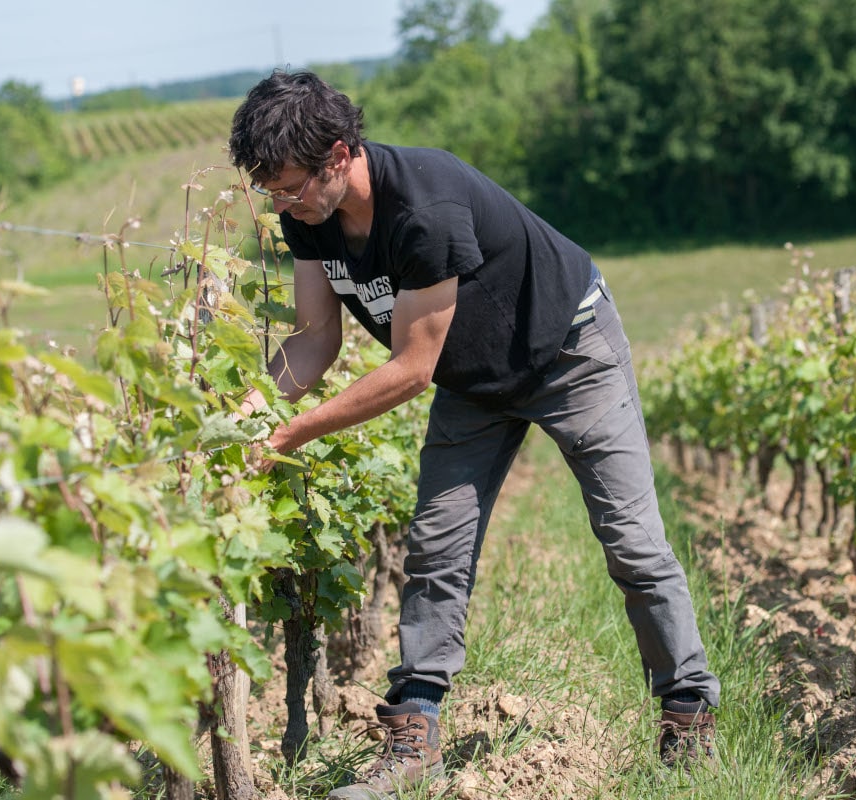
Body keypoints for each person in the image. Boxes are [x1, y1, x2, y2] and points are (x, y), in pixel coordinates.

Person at [229, 70, 720, 798]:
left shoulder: (424, 207)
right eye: (268, 188)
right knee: (435, 546)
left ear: (338, 156)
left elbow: (411, 367)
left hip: (568, 352)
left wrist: (286, 436)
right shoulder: (306, 215)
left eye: (290, 184)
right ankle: (414, 734)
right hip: (475, 380)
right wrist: (241, 423)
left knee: (631, 540)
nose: (280, 202)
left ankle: (688, 715)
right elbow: (312, 342)